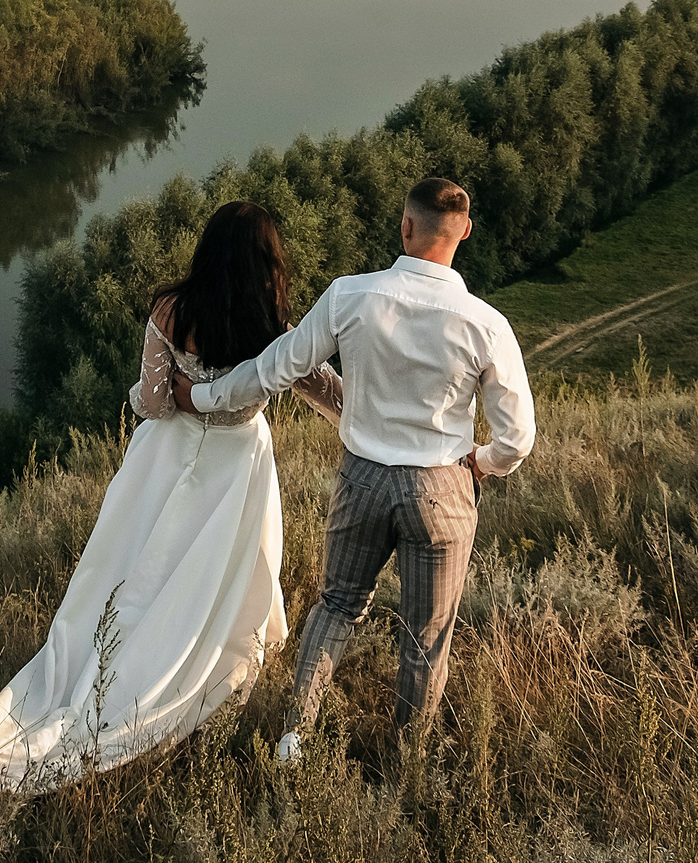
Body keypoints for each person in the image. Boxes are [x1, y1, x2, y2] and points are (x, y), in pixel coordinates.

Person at [0, 200, 343, 791]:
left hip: (162, 462)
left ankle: (100, 665)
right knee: (211, 581)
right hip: (235, 470)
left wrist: (171, 393)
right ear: (269, 264)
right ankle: (192, 658)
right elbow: (334, 400)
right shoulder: (278, 332)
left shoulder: (171, 309)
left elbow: (154, 402)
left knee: (128, 574)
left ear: (207, 251)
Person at [172, 175, 533, 759]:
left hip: (362, 478)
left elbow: (274, 368)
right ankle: (407, 756)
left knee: (337, 605)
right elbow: (518, 439)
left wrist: (205, 399)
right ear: (464, 232)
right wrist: (482, 462)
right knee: (426, 634)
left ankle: (295, 734)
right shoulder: (487, 324)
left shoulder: (350, 295)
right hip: (441, 487)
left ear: (405, 226)